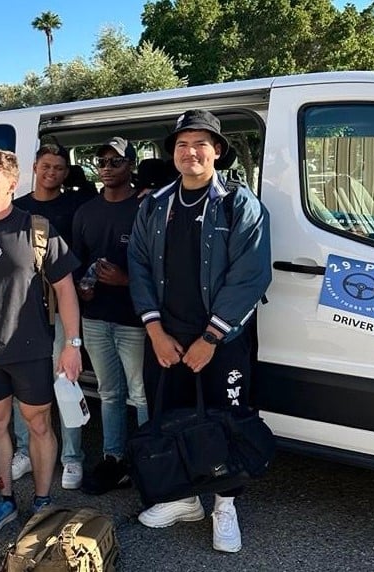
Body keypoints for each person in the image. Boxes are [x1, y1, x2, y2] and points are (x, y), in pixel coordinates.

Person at [128, 109, 271, 553]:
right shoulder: (155, 204)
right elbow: (139, 265)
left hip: (221, 341)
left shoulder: (238, 203)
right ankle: (184, 499)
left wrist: (210, 339)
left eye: (200, 144)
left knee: (227, 420)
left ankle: (225, 507)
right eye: (182, 144)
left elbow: (250, 275)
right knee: (171, 416)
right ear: (172, 152)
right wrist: (155, 330)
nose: (190, 152)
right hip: (167, 338)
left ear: (217, 151)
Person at [0, 148, 83, 534]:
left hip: (31, 351)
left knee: (38, 424)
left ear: (12, 183)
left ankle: (42, 500)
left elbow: (66, 290)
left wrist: (72, 345)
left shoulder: (36, 229)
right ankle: (5, 499)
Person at [72, 137, 148, 496]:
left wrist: (126, 280)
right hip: (96, 317)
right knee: (109, 392)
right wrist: (83, 289)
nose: (106, 167)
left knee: (142, 394)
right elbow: (77, 261)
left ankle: (148, 461)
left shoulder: (146, 207)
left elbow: (161, 267)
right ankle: (113, 458)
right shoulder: (86, 212)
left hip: (137, 320)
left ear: (131, 165)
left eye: (116, 161)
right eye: (101, 161)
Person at [10, 143, 89, 490]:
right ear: (35, 167)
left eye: (58, 168)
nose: (51, 173)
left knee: (65, 381)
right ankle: (24, 451)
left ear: (66, 172)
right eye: (46, 166)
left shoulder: (76, 207)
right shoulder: (18, 209)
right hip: (24, 312)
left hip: (60, 308)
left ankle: (72, 457)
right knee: (22, 386)